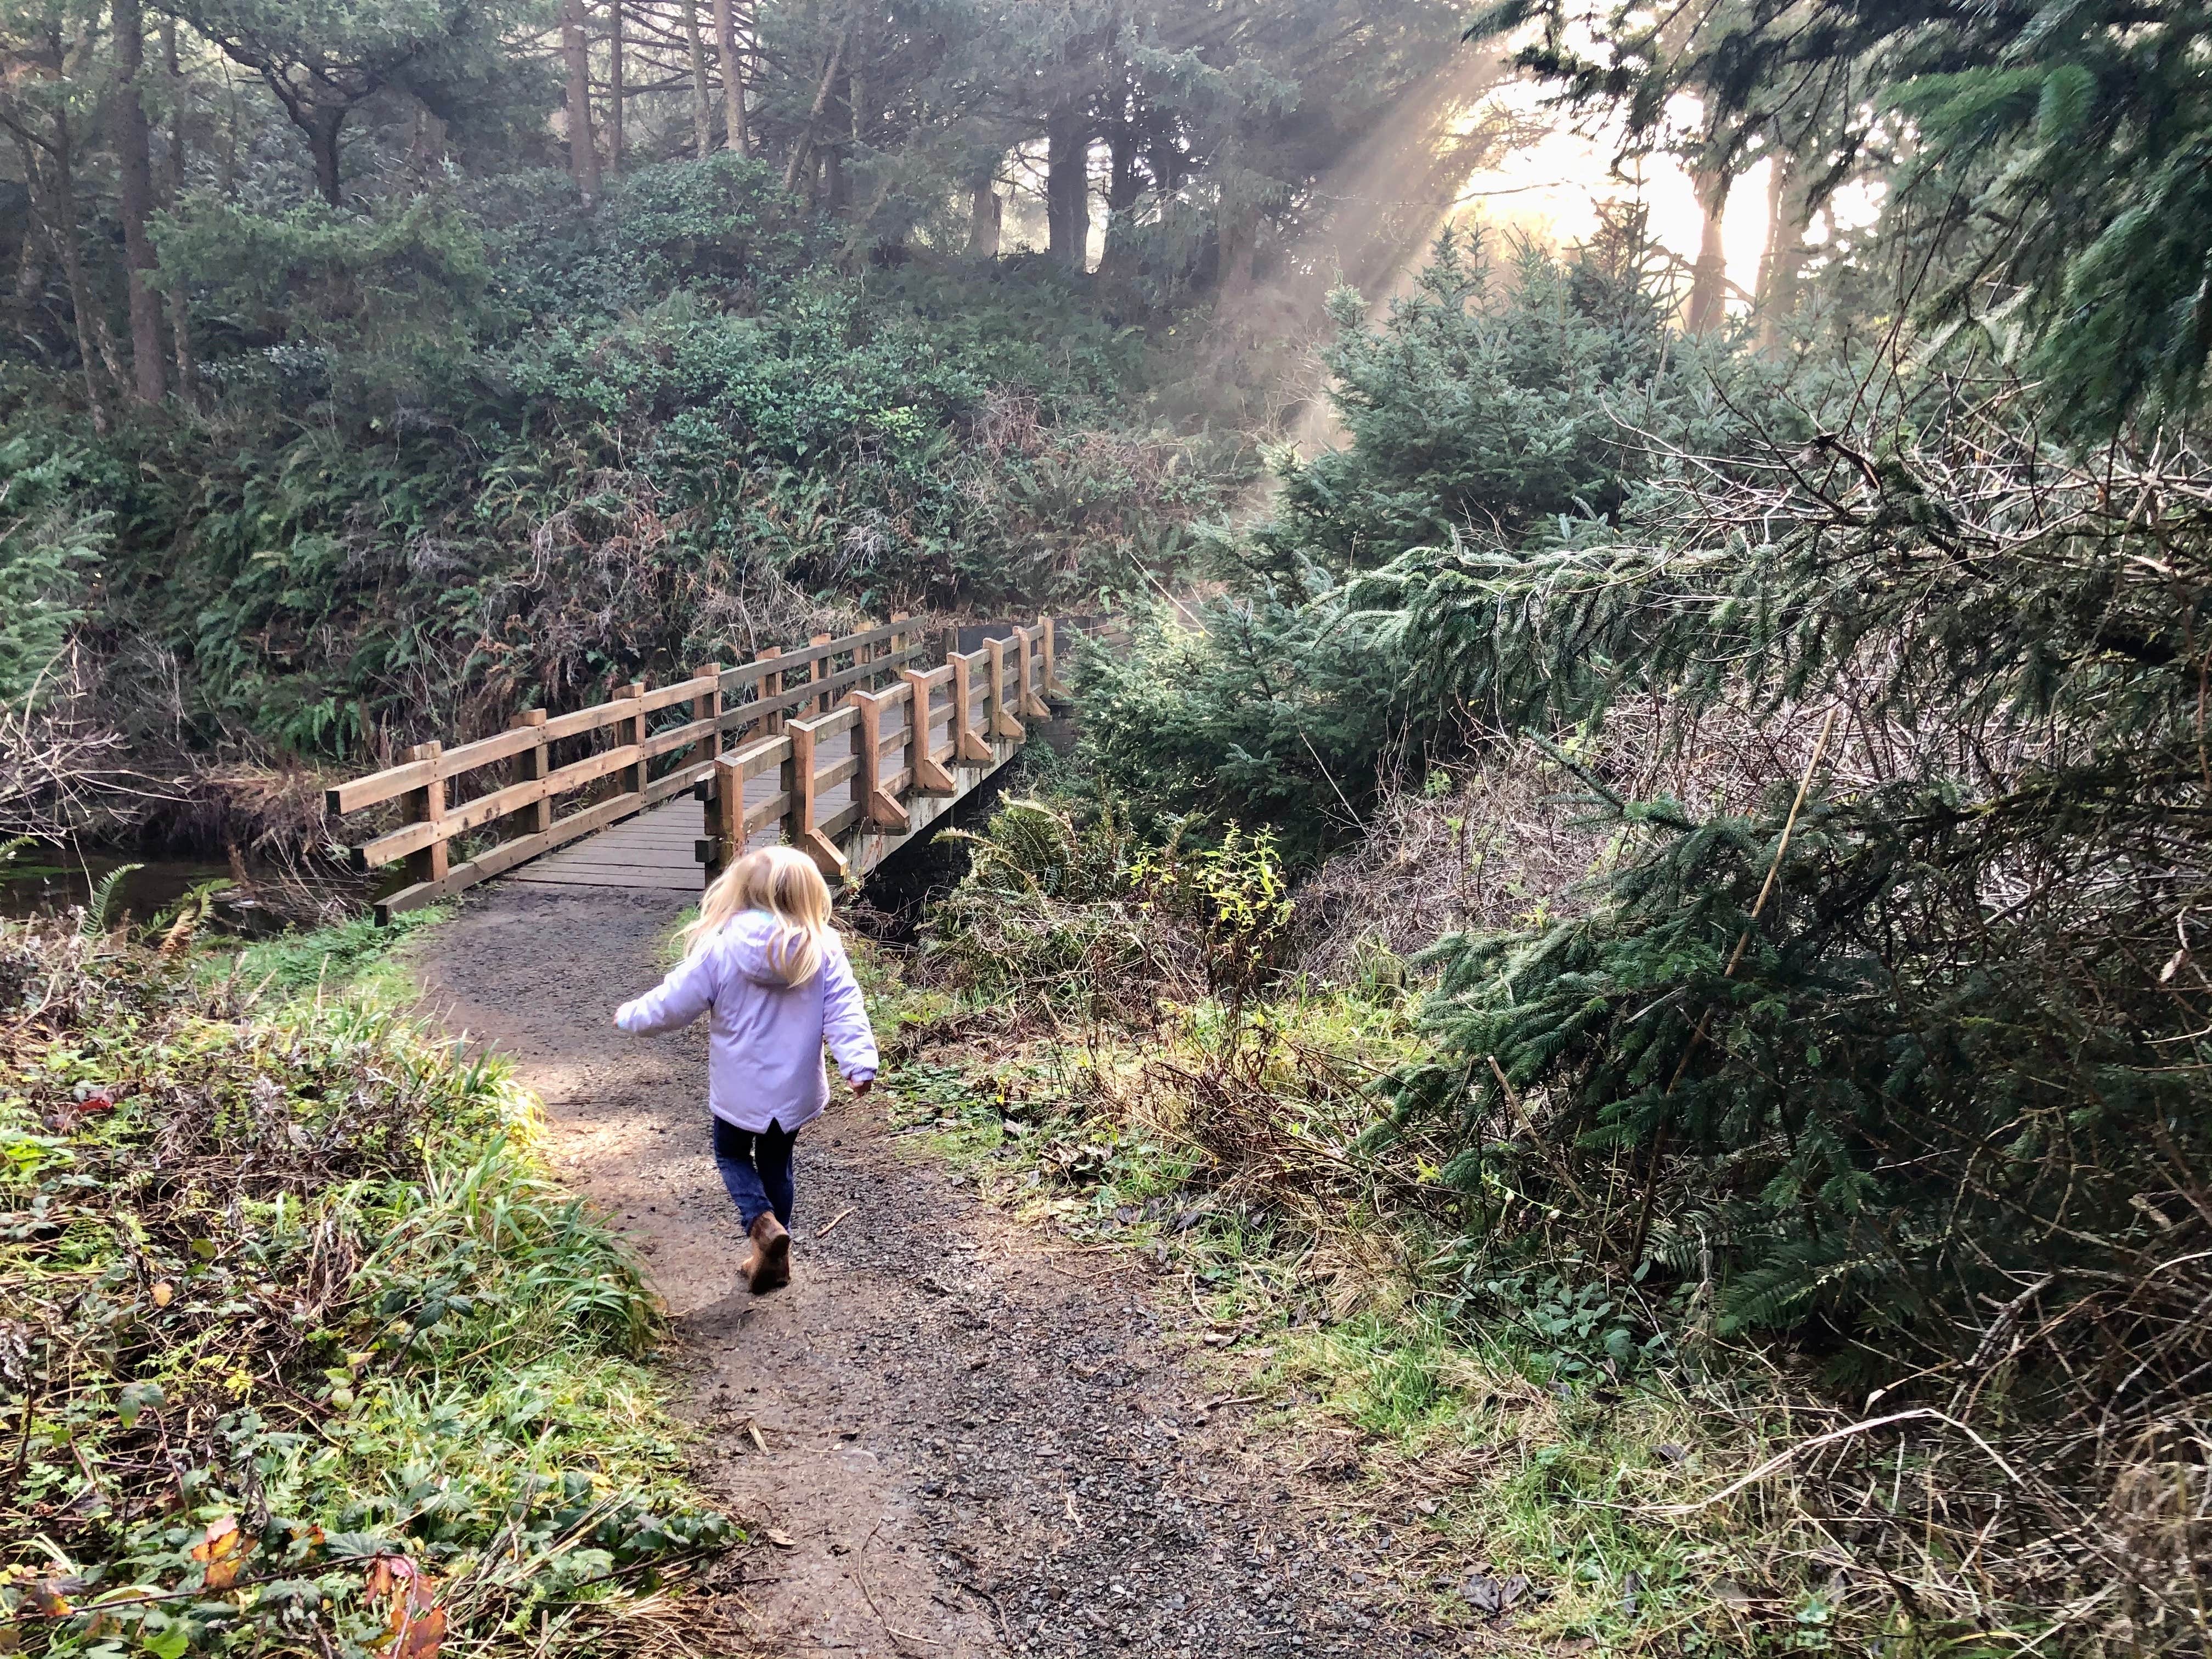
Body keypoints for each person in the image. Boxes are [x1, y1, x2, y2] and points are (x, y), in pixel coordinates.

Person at [613, 845, 878, 1294]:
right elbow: (845, 1011)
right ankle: (774, 1252)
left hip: (739, 1092)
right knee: (778, 1162)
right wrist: (858, 1064)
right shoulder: (823, 948)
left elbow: (673, 1003)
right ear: (810, 895)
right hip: (793, 1092)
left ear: (742, 891)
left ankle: (761, 1225)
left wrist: (630, 1016)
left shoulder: (722, 949)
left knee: (732, 1154)